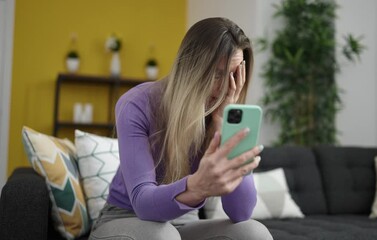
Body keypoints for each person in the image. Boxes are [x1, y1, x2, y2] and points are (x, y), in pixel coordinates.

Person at [89, 17, 273, 240]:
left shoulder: (223, 115)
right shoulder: (136, 104)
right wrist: (197, 187)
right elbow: (143, 203)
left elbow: (240, 212)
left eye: (233, 75)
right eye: (217, 73)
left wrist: (223, 129)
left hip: (184, 224)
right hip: (125, 219)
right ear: (190, 66)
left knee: (253, 233)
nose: (225, 87)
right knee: (163, 236)